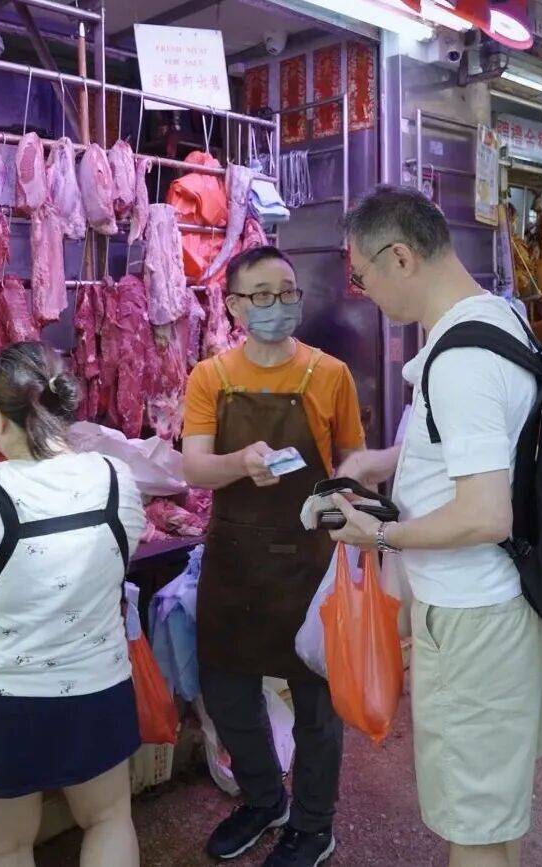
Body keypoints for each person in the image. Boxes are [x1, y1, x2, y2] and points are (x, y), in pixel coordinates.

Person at [331, 186, 542, 867]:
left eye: (360, 277)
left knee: (473, 827)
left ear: (399, 257)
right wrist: (385, 461)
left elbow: (484, 513)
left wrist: (381, 536)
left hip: (472, 620)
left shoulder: (460, 359)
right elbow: (483, 444)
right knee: (493, 813)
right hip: (501, 604)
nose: (364, 292)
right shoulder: (499, 317)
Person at [183, 245, 365, 867]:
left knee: (316, 702)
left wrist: (350, 503)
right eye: (261, 295)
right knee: (228, 694)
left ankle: (313, 825)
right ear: (234, 306)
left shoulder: (329, 374)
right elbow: (194, 467)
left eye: (287, 292)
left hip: (307, 559)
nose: (277, 305)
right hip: (234, 561)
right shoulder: (210, 376)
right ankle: (264, 799)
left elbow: (352, 461)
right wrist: (240, 462)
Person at [0, 342, 144, 867]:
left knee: (5, 845)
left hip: (5, 700)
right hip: (98, 689)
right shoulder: (116, 479)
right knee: (108, 819)